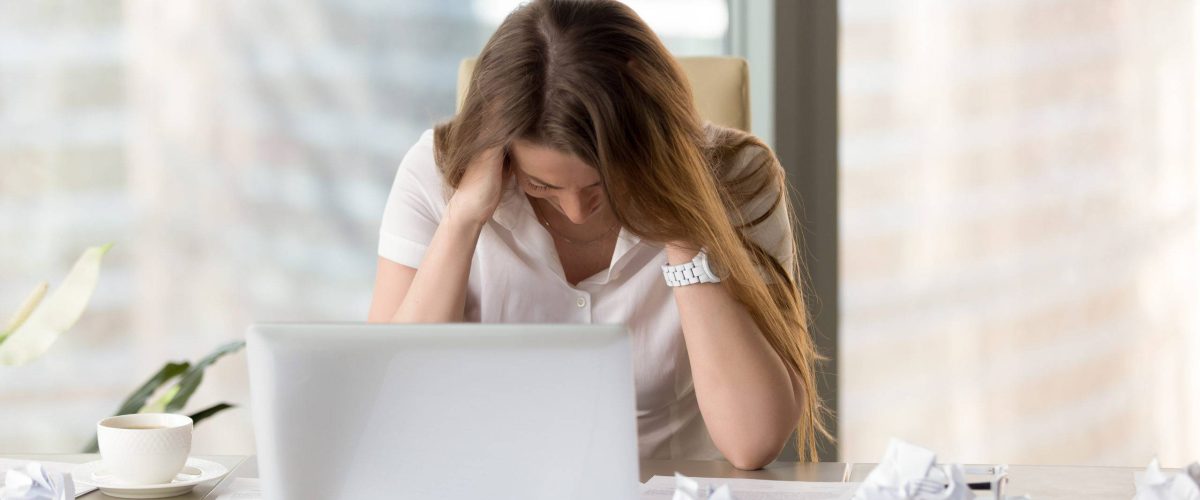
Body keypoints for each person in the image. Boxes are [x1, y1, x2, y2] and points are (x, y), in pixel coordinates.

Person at [368, 0, 825, 469]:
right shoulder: (434, 175)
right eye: (543, 186)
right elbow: (391, 405)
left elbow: (754, 441)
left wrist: (683, 223)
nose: (576, 210)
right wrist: (462, 220)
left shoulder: (738, 177)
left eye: (601, 183)